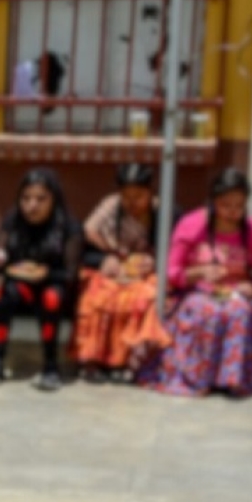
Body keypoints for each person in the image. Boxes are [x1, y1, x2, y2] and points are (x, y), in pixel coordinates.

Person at [154, 168, 252, 399]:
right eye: (225, 204)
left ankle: (232, 379)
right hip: (196, 291)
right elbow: (171, 272)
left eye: (239, 206)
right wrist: (198, 272)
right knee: (206, 310)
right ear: (212, 202)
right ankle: (198, 377)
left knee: (238, 311)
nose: (232, 212)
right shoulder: (191, 225)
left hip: (236, 293)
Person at [0, 166, 79, 391]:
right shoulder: (13, 220)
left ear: (53, 199)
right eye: (25, 198)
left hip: (54, 291)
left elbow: (70, 274)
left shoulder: (68, 226)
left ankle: (51, 367)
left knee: (51, 297)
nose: (31, 206)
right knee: (1, 294)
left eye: (40, 199)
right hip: (22, 291)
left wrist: (46, 274)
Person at [75, 162, 168, 383]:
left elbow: (175, 248)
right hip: (113, 269)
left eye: (139, 196)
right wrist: (105, 257)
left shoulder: (163, 212)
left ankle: (131, 362)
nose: (132, 202)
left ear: (150, 192)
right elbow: (87, 232)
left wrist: (154, 262)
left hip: (146, 274)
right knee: (97, 298)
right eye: (126, 196)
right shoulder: (111, 206)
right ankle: (95, 360)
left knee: (141, 300)